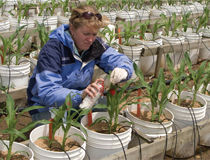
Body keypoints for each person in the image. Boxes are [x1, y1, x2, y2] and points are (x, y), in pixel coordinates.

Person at [27, 4, 134, 122]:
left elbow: (117, 58)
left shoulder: (94, 45)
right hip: (47, 105)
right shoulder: (53, 50)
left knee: (101, 115)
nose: (90, 39)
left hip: (80, 98)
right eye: (86, 34)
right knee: (58, 135)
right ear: (72, 29)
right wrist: (80, 95)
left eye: (94, 34)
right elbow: (48, 92)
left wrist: (124, 70)